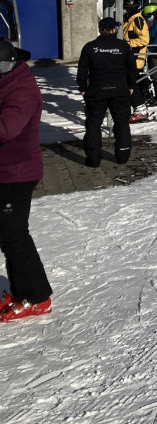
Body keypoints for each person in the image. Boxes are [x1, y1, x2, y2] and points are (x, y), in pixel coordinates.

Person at [0, 39, 53, 322]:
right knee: (7, 234)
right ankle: (23, 288)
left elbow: (7, 128)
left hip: (16, 173)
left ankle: (36, 297)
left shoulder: (21, 89)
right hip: (5, 170)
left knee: (13, 235)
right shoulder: (7, 79)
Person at [76, 17, 137, 167]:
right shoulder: (123, 46)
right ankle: (122, 156)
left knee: (93, 125)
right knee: (122, 123)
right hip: (119, 90)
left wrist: (83, 88)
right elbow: (132, 69)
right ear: (112, 30)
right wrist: (131, 86)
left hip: (97, 91)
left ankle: (93, 159)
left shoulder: (90, 47)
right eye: (116, 28)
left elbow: (82, 71)